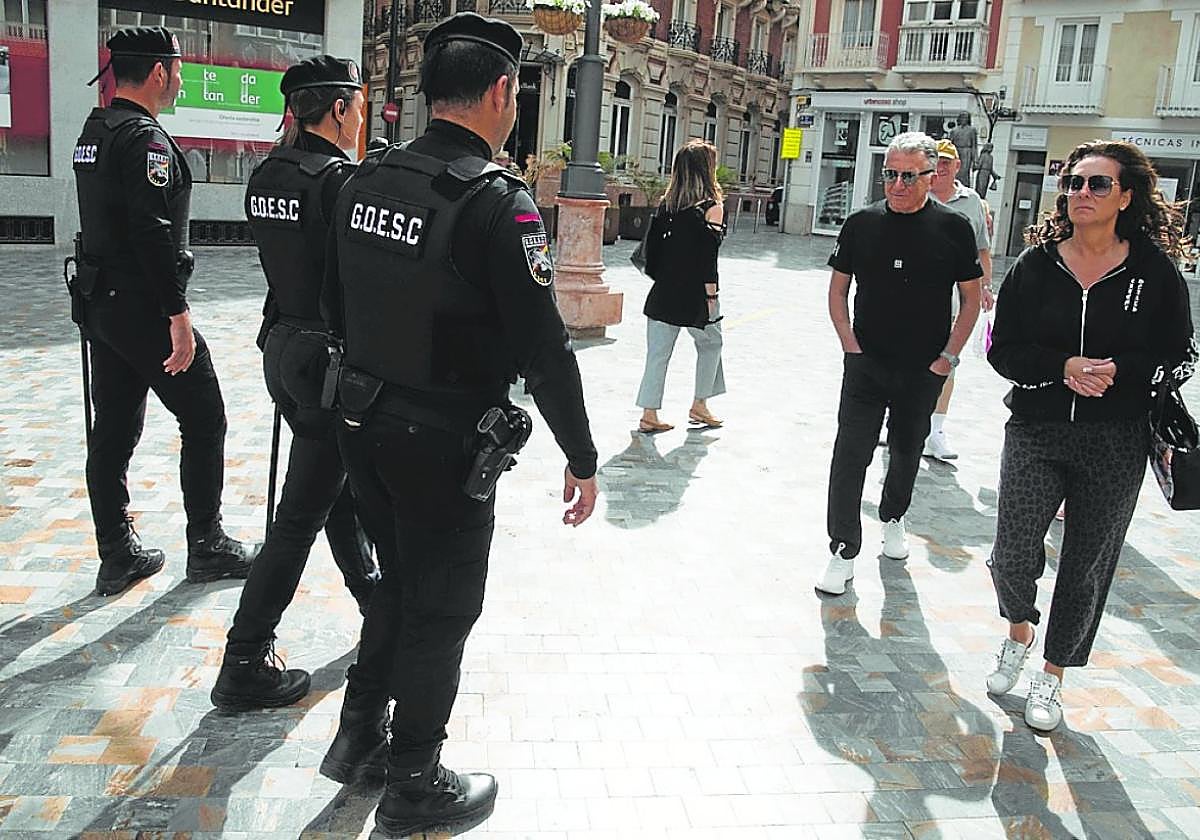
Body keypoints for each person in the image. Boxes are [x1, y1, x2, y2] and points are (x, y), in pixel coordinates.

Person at [319, 13, 600, 837]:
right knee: (442, 608)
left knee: (396, 589)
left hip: (360, 422)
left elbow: (335, 303)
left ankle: (361, 735)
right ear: (504, 92)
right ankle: (415, 779)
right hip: (441, 445)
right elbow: (544, 349)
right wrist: (583, 456)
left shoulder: (364, 179)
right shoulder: (495, 205)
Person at [984, 140, 1197, 731]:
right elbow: (1002, 350)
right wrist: (1063, 368)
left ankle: (1052, 676)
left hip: (1115, 439)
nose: (1081, 193)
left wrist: (1119, 373)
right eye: (1074, 182)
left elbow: (1180, 354)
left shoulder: (1153, 271)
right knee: (1013, 554)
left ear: (1125, 197)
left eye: (1097, 184)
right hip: (1037, 428)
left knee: (1087, 563)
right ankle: (1019, 633)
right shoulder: (1036, 264)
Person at [209, 56, 380, 714]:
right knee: (299, 515)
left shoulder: (269, 173)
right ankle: (244, 657)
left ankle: (372, 600)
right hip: (327, 361)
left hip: (283, 349)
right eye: (357, 104)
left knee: (328, 487)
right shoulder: (338, 181)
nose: (361, 116)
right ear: (338, 108)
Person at [71, 27, 255, 597]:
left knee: (115, 429)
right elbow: (152, 235)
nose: (181, 78)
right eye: (177, 69)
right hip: (144, 308)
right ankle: (207, 543)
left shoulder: (94, 130)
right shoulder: (145, 141)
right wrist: (178, 315)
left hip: (102, 306)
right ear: (157, 73)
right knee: (205, 418)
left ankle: (116, 553)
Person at [816, 132, 982, 597]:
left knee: (907, 452)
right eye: (890, 174)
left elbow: (970, 299)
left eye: (909, 176)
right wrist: (850, 345)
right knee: (850, 455)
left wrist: (948, 358)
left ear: (932, 177)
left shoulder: (953, 228)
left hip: (922, 367)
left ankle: (893, 517)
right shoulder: (861, 223)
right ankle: (843, 550)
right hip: (866, 363)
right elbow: (837, 289)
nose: (897, 184)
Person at [635, 139, 727, 433]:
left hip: (663, 292)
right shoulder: (712, 208)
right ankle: (700, 403)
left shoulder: (667, 205)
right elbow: (707, 259)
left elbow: (655, 254)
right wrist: (711, 294)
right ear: (706, 170)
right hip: (696, 295)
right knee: (712, 344)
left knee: (658, 354)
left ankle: (649, 414)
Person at [923, 138, 995, 461]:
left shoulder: (972, 202)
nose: (940, 168)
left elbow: (982, 249)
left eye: (946, 162)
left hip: (954, 294)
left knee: (947, 360)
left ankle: (936, 431)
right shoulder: (914, 193)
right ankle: (896, 423)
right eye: (936, 161)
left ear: (957, 166)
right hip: (910, 291)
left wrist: (986, 287)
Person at [948, 113, 978, 185]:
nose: (964, 119)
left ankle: (964, 186)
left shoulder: (972, 130)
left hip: (966, 151)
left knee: (964, 172)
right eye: (962, 117)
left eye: (966, 118)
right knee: (955, 170)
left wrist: (975, 160)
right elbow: (950, 144)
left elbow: (974, 145)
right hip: (956, 151)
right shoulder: (954, 130)